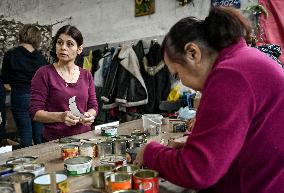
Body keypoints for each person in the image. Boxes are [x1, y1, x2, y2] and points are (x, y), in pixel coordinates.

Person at [134, 7, 284, 193]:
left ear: (192, 53)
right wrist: (197, 144)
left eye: (178, 74)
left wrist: (150, 152)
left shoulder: (230, 75)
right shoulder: (244, 59)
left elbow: (197, 171)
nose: (183, 83)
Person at [30, 25, 98, 141]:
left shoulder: (86, 75)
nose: (63, 47)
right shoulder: (44, 74)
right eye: (59, 43)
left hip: (84, 139)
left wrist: (90, 115)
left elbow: (93, 106)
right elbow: (35, 112)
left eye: (70, 44)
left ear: (79, 49)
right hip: (55, 141)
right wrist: (61, 117)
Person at [1, 24, 47, 148]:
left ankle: (28, 165)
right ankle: (44, 163)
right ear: (37, 38)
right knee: (39, 135)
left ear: (21, 34)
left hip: (20, 96)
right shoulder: (41, 58)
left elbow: (5, 83)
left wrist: (17, 88)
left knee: (25, 135)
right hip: (38, 99)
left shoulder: (10, 55)